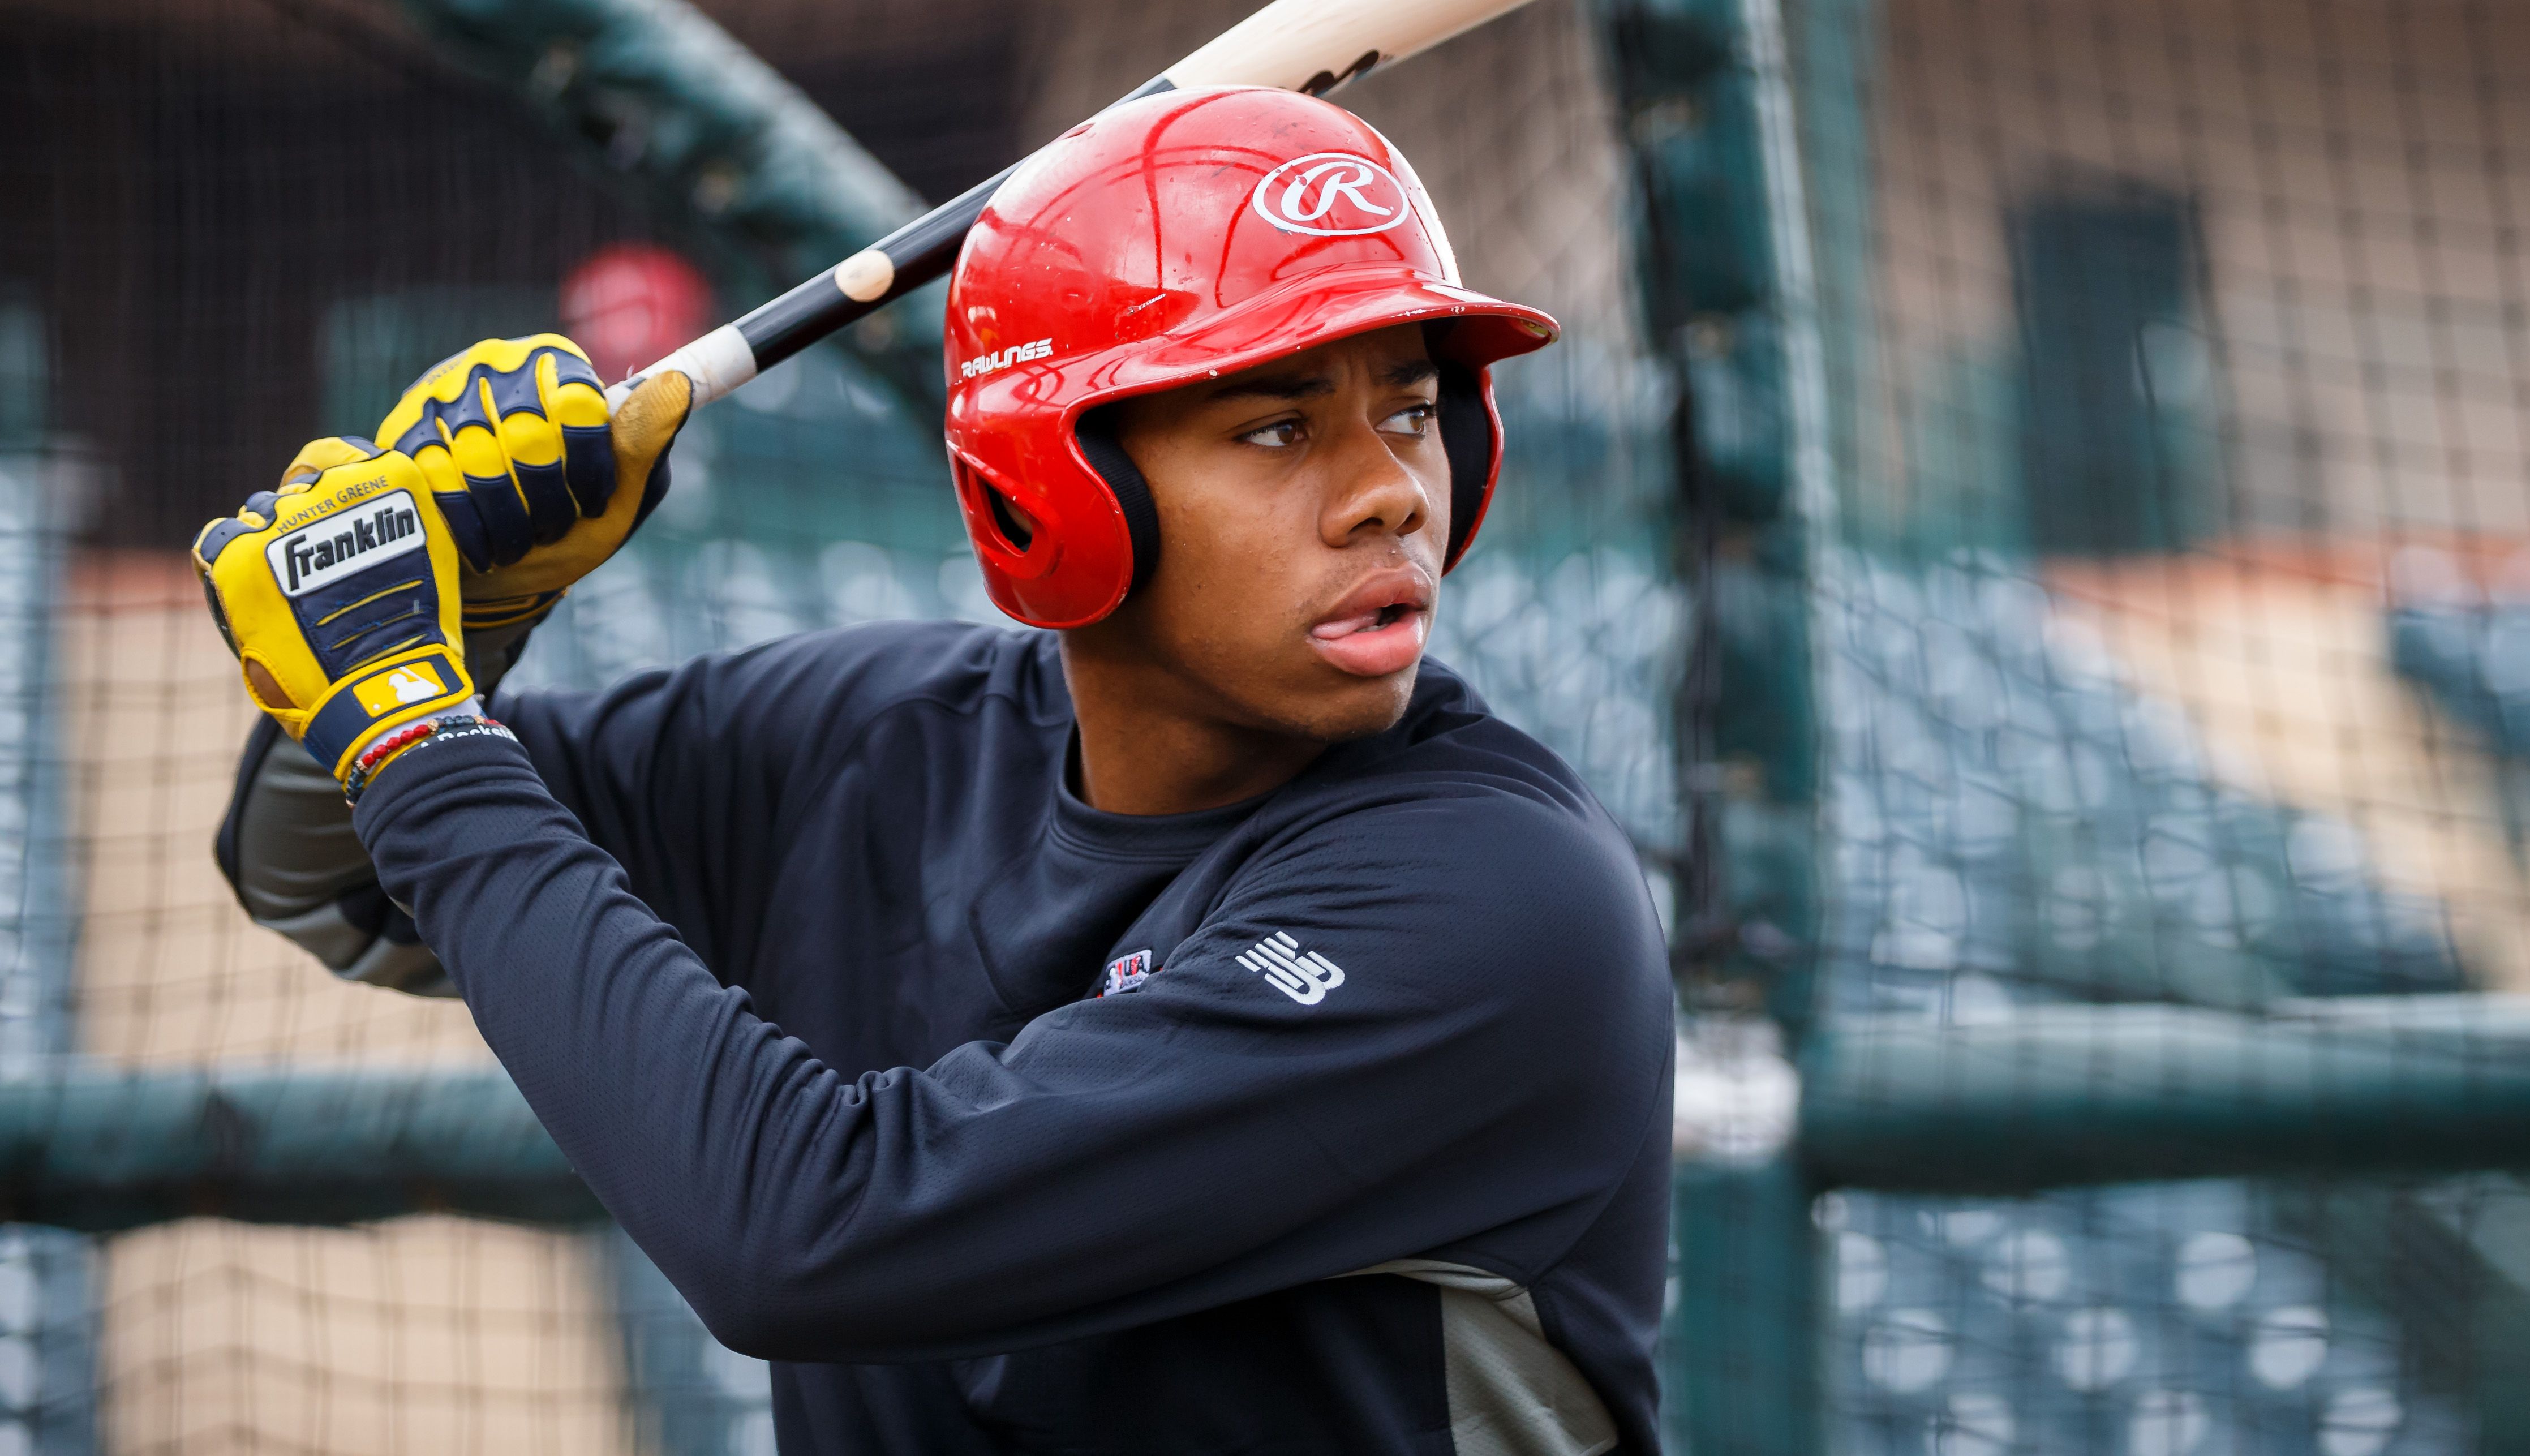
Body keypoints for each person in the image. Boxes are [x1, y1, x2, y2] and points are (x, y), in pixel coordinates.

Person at [196, 85, 1675, 1456]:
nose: (1387, 494)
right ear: (1056, 489)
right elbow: (332, 874)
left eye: (1411, 410)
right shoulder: (875, 738)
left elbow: (807, 1236)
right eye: (1279, 426)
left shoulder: (1497, 899)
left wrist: (412, 721)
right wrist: (478, 631)